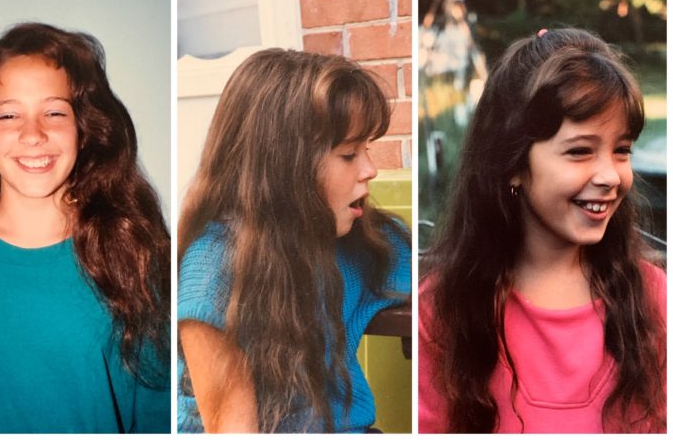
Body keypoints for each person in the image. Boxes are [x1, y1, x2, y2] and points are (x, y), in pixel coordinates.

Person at [418, 28, 666, 433]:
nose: (610, 175)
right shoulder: (445, 309)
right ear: (514, 162)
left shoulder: (654, 300)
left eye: (621, 150)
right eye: (579, 151)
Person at [0, 23, 171, 433]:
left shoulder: (135, 261)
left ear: (83, 129)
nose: (33, 134)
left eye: (54, 112)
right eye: (9, 114)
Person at [177, 49, 412, 433]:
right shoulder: (215, 274)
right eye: (349, 154)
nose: (370, 169)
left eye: (366, 149)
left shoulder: (354, 238)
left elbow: (441, 276)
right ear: (285, 166)